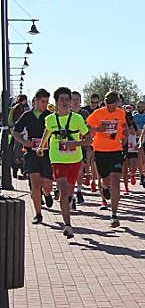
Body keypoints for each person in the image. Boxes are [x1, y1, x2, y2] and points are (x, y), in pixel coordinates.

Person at [37, 87, 90, 238]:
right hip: (57, 159)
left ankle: (69, 198)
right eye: (62, 99)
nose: (65, 102)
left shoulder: (77, 119)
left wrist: (75, 144)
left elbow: (89, 139)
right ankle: (67, 225)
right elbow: (47, 132)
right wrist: (41, 146)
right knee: (63, 191)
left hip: (74, 160)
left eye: (67, 99)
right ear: (56, 102)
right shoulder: (50, 119)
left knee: (69, 192)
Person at [11, 89, 53, 224]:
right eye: (43, 101)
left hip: (47, 154)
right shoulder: (27, 115)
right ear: (36, 101)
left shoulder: (50, 116)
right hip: (31, 153)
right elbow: (15, 132)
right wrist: (24, 142)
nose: (45, 104)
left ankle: (47, 194)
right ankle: (38, 214)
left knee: (47, 185)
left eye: (47, 102)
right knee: (35, 184)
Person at [86, 91, 127, 227]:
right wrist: (98, 129)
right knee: (106, 180)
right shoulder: (98, 113)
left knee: (116, 181)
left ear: (117, 103)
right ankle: (104, 187)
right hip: (100, 151)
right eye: (108, 102)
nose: (111, 105)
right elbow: (87, 127)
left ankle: (114, 215)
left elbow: (123, 127)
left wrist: (125, 135)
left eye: (113, 102)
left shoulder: (121, 113)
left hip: (116, 150)